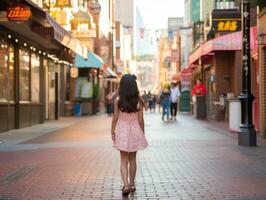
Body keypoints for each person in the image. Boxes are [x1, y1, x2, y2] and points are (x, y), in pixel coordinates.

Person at [111, 74, 149, 196]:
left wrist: (112, 131)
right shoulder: (138, 101)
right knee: (133, 158)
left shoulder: (118, 101)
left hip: (122, 131)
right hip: (135, 131)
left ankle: (125, 185)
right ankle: (132, 184)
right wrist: (142, 133)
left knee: (123, 160)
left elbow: (115, 117)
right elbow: (141, 120)